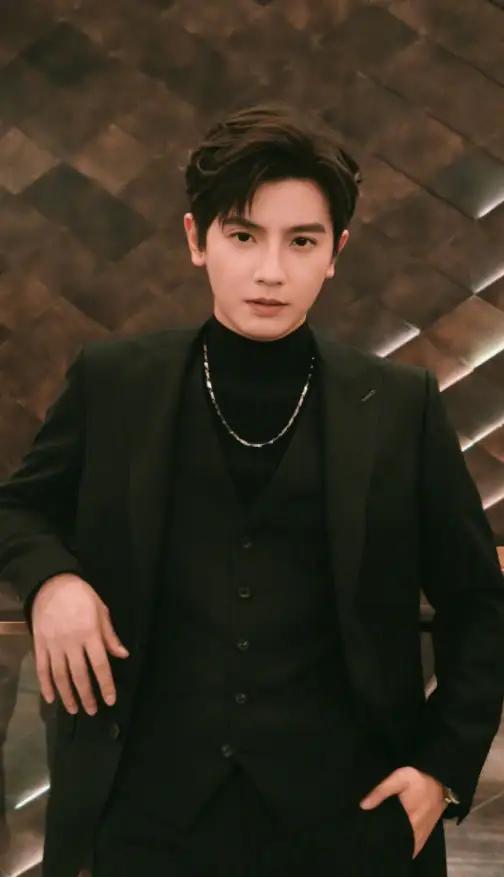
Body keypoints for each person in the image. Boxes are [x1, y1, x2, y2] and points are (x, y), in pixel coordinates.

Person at [0, 101, 503, 877]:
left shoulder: (400, 407)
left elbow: (481, 605)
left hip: (349, 824)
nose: (271, 271)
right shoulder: (114, 382)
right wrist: (52, 580)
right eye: (243, 235)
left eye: (301, 241)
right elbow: (17, 506)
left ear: (334, 252)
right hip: (143, 823)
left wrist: (442, 771)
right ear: (196, 239)